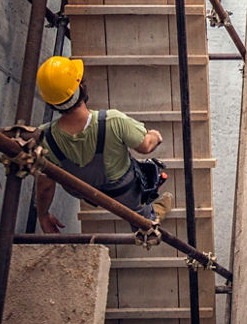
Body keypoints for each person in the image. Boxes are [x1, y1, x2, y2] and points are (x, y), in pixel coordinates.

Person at [32, 56, 172, 233]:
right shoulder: (114, 121)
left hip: (85, 193)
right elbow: (145, 147)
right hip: (123, 192)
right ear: (81, 87)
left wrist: (43, 215)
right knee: (140, 210)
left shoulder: (44, 138)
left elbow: (45, 186)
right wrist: (155, 136)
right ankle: (149, 219)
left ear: (50, 102)